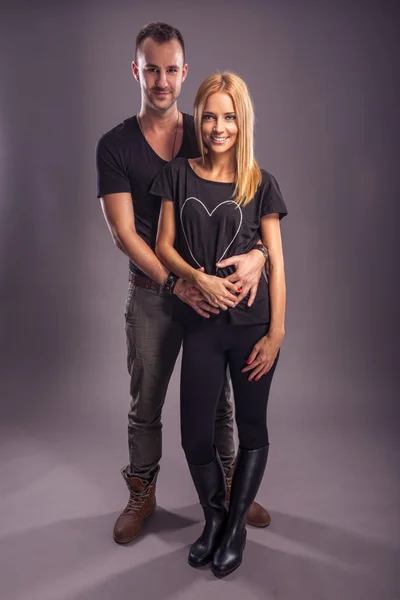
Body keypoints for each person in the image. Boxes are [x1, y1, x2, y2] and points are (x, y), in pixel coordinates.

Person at [95, 22, 271, 545]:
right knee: (146, 401)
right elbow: (124, 233)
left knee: (216, 400)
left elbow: (253, 202)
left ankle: (228, 492)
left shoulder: (211, 126)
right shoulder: (115, 145)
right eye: (152, 69)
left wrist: (260, 255)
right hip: (154, 294)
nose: (162, 80)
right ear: (137, 71)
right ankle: (142, 490)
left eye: (171, 69)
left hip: (212, 295)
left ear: (184, 71)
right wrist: (176, 283)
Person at [152, 72, 287, 577]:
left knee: (252, 428)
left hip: (253, 328)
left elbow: (275, 261)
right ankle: (214, 516)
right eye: (209, 115)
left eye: (229, 116)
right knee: (194, 436)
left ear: (242, 121)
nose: (218, 126)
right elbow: (165, 245)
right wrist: (196, 279)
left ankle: (235, 531)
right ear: (198, 118)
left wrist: (277, 333)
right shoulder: (177, 174)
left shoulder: (260, 182)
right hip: (203, 325)